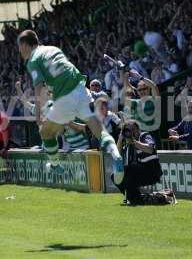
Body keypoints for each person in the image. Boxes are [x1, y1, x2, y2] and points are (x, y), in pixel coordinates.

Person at [17, 30, 124, 184]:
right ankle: (116, 156)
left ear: (25, 45)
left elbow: (38, 87)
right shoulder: (53, 49)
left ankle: (54, 164)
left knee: (45, 132)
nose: (20, 51)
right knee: (100, 131)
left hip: (65, 97)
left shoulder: (33, 60)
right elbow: (66, 68)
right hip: (81, 89)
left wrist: (38, 115)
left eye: (20, 47)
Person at [114, 120, 163, 205]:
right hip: (141, 171)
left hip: (152, 171)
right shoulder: (130, 142)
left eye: (132, 129)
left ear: (137, 129)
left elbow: (151, 149)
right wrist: (120, 137)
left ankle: (139, 199)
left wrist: (135, 143)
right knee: (116, 176)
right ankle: (136, 199)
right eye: (128, 130)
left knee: (126, 171)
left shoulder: (144, 136)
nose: (131, 132)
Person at [123, 69, 161, 149]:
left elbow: (154, 86)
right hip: (139, 136)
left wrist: (139, 77)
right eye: (140, 90)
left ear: (148, 89)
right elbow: (128, 91)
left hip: (153, 135)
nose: (142, 91)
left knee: (155, 159)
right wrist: (126, 78)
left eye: (144, 89)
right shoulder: (135, 102)